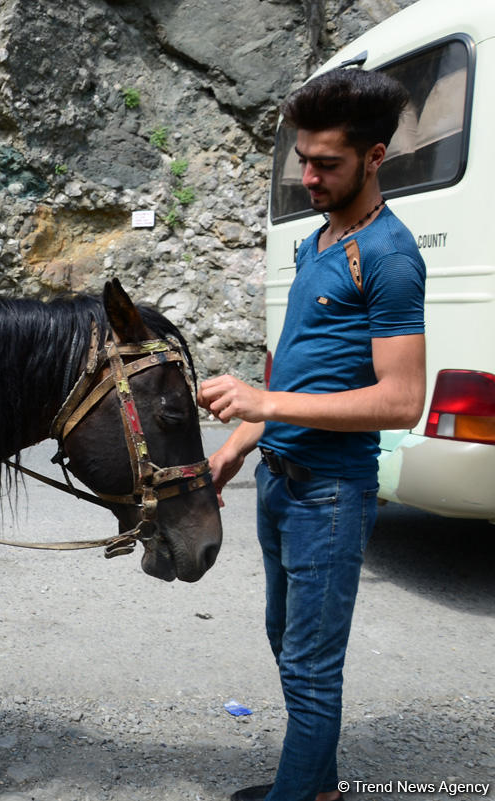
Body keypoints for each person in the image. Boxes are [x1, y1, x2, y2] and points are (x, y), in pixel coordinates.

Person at [198, 67, 426, 801]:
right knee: (285, 642)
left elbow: (401, 400)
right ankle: (321, 787)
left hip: (330, 494)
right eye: (303, 159)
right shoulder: (318, 239)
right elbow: (300, 366)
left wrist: (262, 400)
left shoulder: (389, 256)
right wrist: (235, 448)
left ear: (375, 157)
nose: (309, 176)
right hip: (279, 480)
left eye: (327, 163)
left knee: (310, 667)